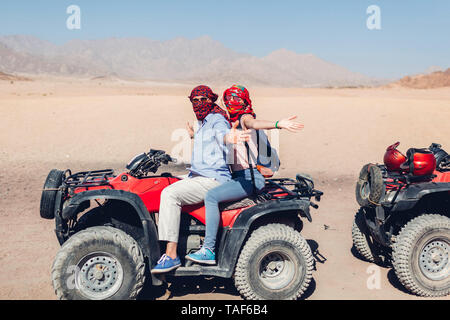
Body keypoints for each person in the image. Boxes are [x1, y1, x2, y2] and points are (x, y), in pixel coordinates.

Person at [185, 84, 304, 265]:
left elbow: (253, 123)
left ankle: (208, 249)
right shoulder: (228, 123)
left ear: (245, 101)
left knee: (211, 196)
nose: (232, 103)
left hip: (249, 178)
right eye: (229, 99)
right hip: (238, 177)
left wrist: (278, 124)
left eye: (237, 99)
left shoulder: (244, 118)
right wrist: (195, 136)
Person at [151, 85, 250, 274]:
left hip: (213, 179)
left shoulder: (217, 119)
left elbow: (222, 135)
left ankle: (171, 255)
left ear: (211, 100)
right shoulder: (204, 121)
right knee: (165, 181)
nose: (198, 104)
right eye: (194, 101)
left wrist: (230, 137)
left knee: (170, 194)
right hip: (198, 175)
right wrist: (193, 136)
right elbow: (209, 140)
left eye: (203, 100)